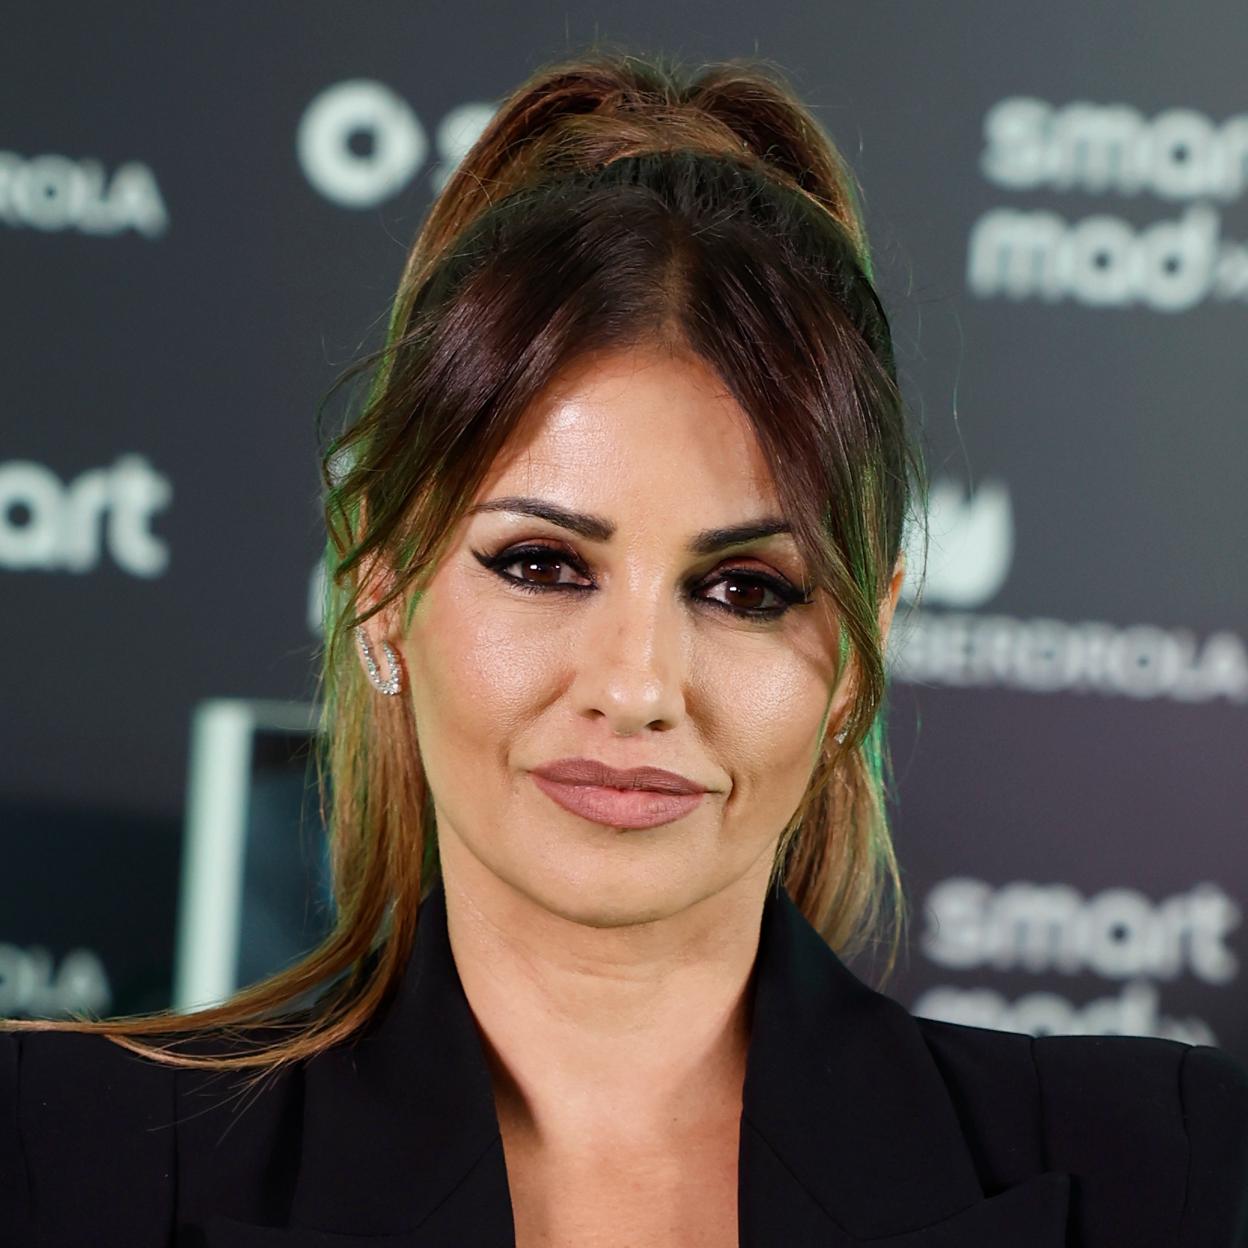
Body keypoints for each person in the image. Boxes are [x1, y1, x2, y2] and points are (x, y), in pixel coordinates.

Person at [3, 49, 1247, 1248]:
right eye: (544, 565)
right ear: (379, 592)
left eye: (746, 588)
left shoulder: (1168, 1172)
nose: (638, 685)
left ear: (861, 649)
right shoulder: (59, 1162)